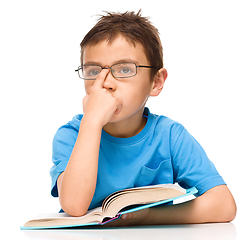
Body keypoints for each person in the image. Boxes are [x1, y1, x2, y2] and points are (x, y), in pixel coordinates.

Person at [50, 10, 236, 226]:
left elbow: (224, 205)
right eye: (93, 72)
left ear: (156, 82)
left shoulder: (170, 136)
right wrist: (91, 121)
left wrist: (146, 217)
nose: (106, 83)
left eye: (125, 69)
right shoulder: (70, 135)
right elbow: (74, 206)